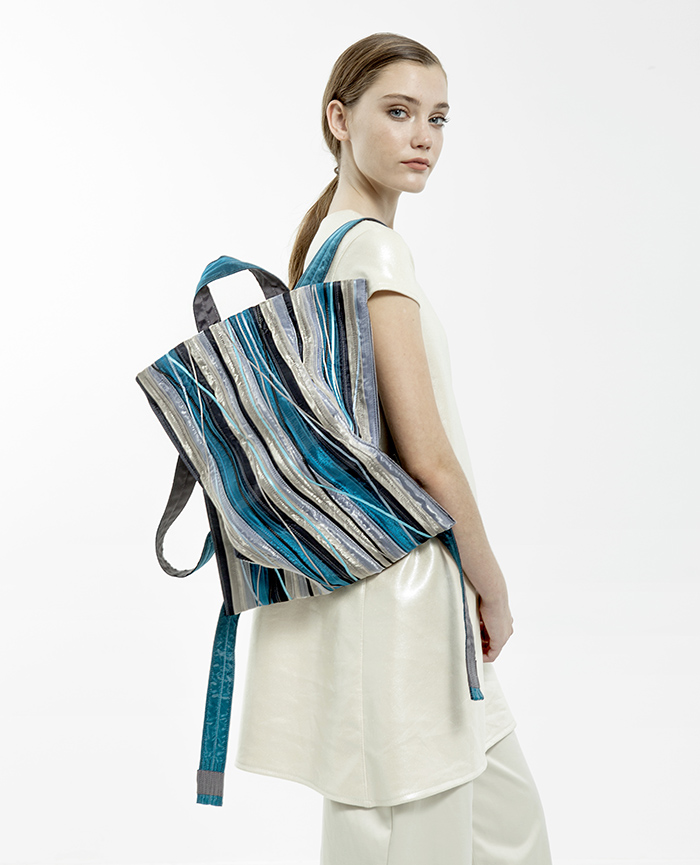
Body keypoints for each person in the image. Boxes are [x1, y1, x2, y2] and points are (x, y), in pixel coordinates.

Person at [234, 33, 552, 864]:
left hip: (378, 591)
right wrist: (493, 587)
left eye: (438, 118)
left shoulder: (325, 246)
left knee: (503, 827)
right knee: (419, 840)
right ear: (339, 120)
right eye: (399, 112)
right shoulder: (374, 249)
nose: (423, 138)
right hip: (406, 592)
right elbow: (427, 456)